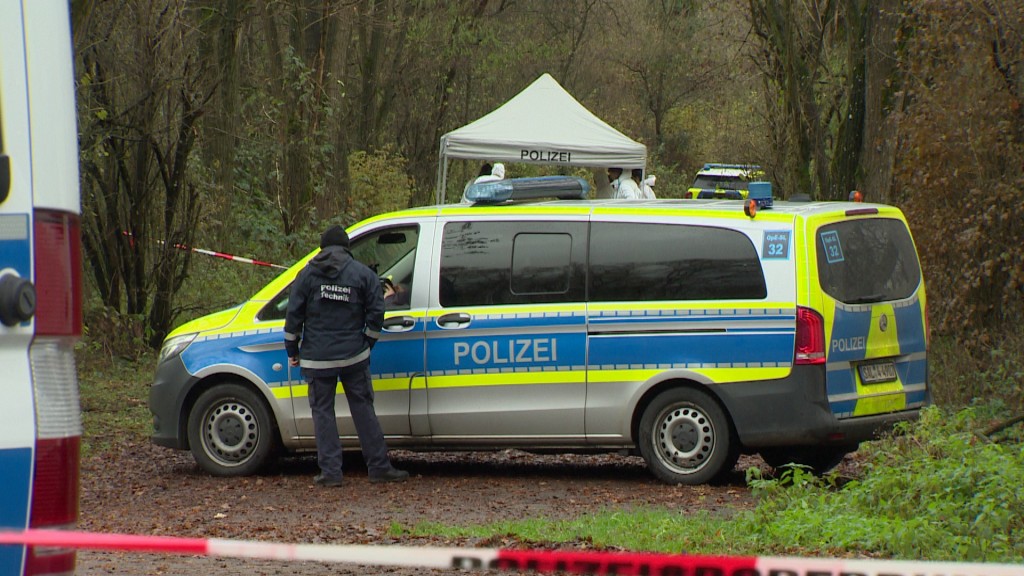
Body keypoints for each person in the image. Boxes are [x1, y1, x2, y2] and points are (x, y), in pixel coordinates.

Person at [284, 225, 409, 486]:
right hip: (354, 356)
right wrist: (367, 343)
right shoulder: (362, 274)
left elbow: (293, 316)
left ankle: (331, 473)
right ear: (346, 247)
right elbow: (377, 312)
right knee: (363, 409)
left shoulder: (306, 275)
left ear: (322, 248)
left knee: (323, 413)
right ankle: (379, 468)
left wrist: (292, 351)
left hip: (316, 358)